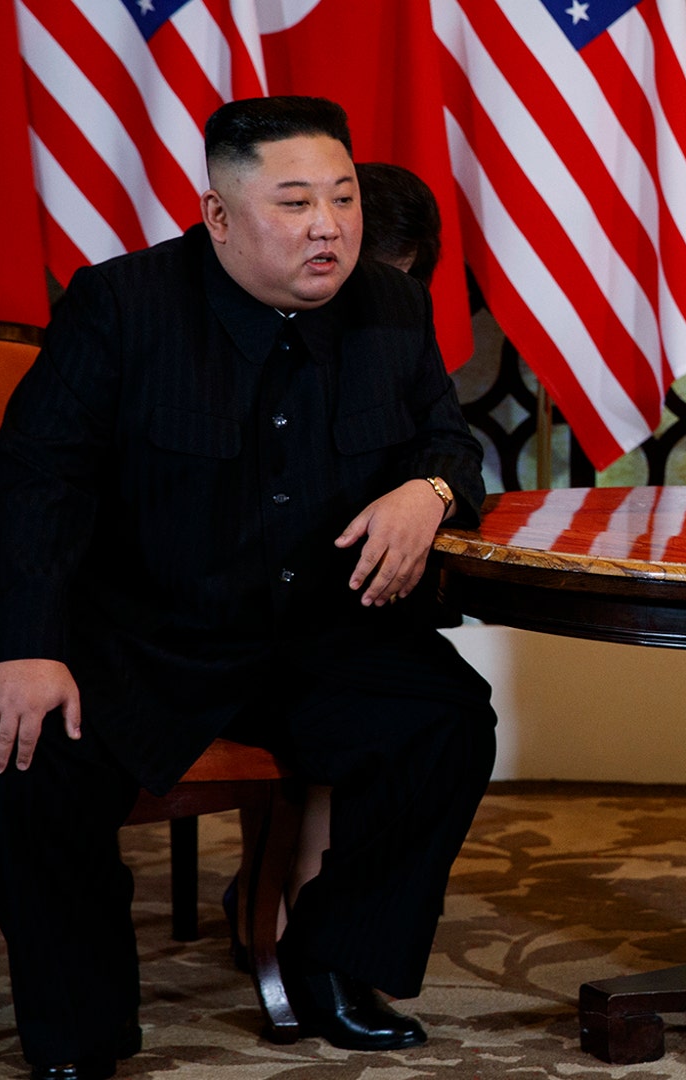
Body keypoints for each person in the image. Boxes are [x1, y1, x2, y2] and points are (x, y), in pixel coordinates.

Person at [0, 96, 497, 1080]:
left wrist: (432, 488)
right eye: (294, 203)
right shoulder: (122, 306)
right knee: (16, 766)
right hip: (147, 635)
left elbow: (444, 438)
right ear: (219, 216)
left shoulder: (393, 304)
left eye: (342, 197)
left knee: (444, 720)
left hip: (315, 634)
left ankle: (331, 962)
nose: (328, 225)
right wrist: (26, 647)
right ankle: (83, 1037)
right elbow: (40, 480)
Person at [220, 159, 454, 956]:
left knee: (431, 702)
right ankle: (289, 905)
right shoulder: (220, 330)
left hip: (354, 598)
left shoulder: (400, 332)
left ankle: (328, 926)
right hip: (231, 611)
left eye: (397, 283)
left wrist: (429, 492)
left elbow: (447, 445)